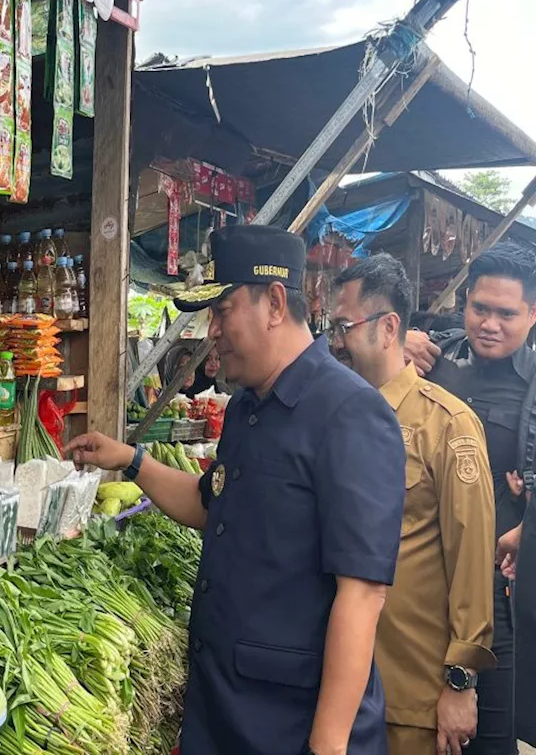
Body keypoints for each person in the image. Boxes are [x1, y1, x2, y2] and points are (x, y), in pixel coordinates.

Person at [67, 225, 406, 755]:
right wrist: (131, 460)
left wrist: (328, 744)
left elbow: (362, 594)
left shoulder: (349, 413)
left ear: (274, 303)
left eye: (222, 312)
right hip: (226, 711)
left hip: (291, 725)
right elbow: (211, 505)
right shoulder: (250, 407)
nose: (212, 331)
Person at [331, 254, 496, 755]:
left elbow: (471, 561)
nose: (334, 342)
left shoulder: (446, 425)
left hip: (411, 695)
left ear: (388, 328)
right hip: (334, 685)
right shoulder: (331, 416)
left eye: (343, 326)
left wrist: (460, 684)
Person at [404, 242, 536, 752]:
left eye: (507, 314)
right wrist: (398, 339)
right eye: (480, 308)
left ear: (531, 315)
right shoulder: (431, 361)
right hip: (418, 593)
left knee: (489, 741)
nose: (490, 324)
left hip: (494, 606)